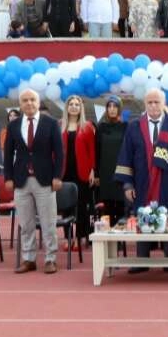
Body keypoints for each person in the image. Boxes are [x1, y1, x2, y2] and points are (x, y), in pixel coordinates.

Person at [115, 87, 168, 272]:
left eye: (157, 102)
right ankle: (142, 260)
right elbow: (126, 156)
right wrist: (128, 184)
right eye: (150, 102)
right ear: (145, 104)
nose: (153, 105)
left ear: (163, 103)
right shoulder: (134, 126)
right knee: (142, 215)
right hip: (142, 181)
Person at [7, 89, 65, 274]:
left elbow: (59, 153)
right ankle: (29, 259)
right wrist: (8, 177)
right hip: (21, 180)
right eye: (25, 100)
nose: (29, 103)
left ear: (38, 103)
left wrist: (57, 176)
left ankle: (50, 259)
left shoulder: (51, 123)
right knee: (26, 224)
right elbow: (7, 153)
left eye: (32, 99)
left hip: (45, 180)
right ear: (20, 104)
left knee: (48, 223)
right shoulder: (13, 125)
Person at [60, 95, 96, 244]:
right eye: (71, 104)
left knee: (82, 205)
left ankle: (81, 236)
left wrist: (92, 170)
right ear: (67, 107)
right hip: (63, 171)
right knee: (66, 206)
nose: (74, 107)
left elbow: (92, 150)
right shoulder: (59, 126)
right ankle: (68, 237)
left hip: (82, 171)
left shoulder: (87, 127)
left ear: (81, 108)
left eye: (77, 104)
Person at [93, 97, 128, 221]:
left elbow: (129, 151)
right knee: (106, 213)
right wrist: (96, 174)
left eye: (115, 106)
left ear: (120, 109)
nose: (112, 109)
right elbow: (96, 151)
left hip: (121, 174)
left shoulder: (126, 127)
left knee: (121, 211)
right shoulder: (101, 127)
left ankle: (120, 234)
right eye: (109, 106)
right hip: (105, 175)